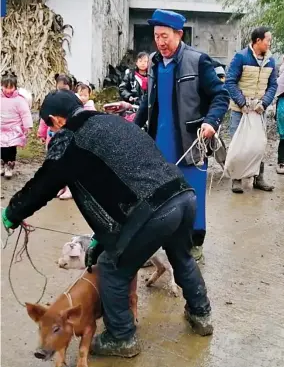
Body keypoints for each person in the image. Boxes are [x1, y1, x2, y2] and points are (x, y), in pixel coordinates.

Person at [1, 90, 213, 358]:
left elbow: (44, 183)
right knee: (182, 256)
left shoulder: (71, 138)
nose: (52, 132)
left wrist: (12, 213)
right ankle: (201, 315)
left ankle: (121, 337)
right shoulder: (111, 121)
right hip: (182, 195)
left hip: (152, 209)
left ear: (56, 121)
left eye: (50, 127)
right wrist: (102, 237)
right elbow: (116, 181)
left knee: (113, 269)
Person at [135, 9, 229, 262]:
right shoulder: (154, 63)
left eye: (165, 36)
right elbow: (148, 100)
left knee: (192, 195)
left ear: (179, 34)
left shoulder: (198, 61)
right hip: (159, 141)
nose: (160, 42)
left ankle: (195, 242)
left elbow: (220, 96)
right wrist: (135, 126)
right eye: (156, 36)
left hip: (189, 143)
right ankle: (155, 246)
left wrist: (211, 122)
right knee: (158, 195)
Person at [225, 26, 278, 194]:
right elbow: (230, 81)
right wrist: (242, 103)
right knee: (239, 144)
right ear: (258, 41)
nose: (270, 43)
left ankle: (258, 177)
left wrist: (264, 102)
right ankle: (237, 179)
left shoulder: (271, 61)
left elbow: (273, 85)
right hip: (239, 110)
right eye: (268, 40)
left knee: (258, 144)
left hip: (258, 110)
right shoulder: (241, 57)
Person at [0, 72, 33, 179]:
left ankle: (9, 165)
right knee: (2, 147)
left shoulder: (19, 100)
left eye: (11, 87)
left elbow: (25, 114)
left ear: (15, 87)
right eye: (6, 87)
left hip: (14, 128)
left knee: (10, 147)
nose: (9, 90)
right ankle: (2, 163)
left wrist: (28, 126)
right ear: (2, 85)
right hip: (1, 127)